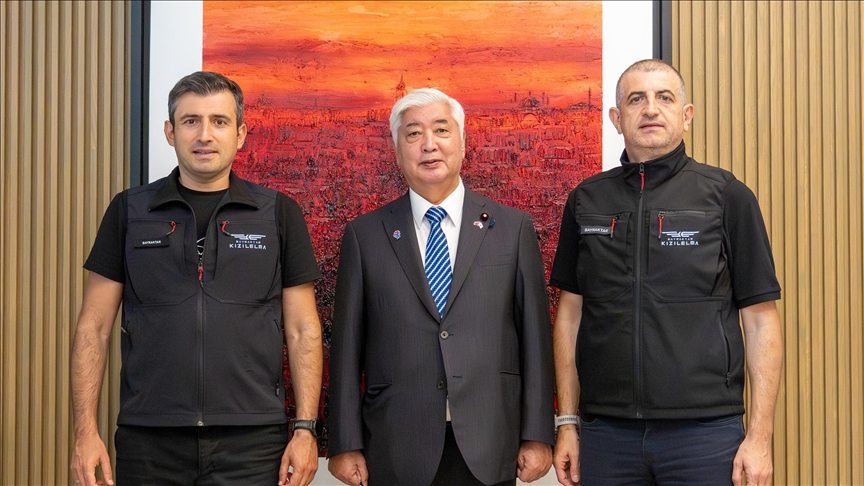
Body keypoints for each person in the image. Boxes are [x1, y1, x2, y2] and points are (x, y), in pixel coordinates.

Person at [70, 71, 323, 486]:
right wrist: (85, 432)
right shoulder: (129, 211)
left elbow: (302, 329)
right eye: (191, 121)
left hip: (253, 444)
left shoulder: (278, 212)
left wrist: (306, 429)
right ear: (170, 132)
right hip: (149, 440)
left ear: (240, 134)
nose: (205, 134)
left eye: (219, 121)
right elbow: (92, 328)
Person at [550, 59, 783, 486]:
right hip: (606, 437)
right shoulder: (586, 200)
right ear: (617, 118)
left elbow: (760, 320)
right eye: (636, 99)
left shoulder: (727, 196)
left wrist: (760, 436)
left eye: (664, 97)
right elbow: (570, 316)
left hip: (705, 435)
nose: (651, 109)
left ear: (686, 115)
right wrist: (567, 422)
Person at [327, 88, 555, 486]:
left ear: (463, 143)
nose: (429, 145)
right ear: (397, 150)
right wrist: (344, 442)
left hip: (490, 441)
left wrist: (538, 434)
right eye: (414, 134)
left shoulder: (511, 228)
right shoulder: (365, 235)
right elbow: (346, 348)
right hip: (397, 443)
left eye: (441, 130)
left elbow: (535, 338)